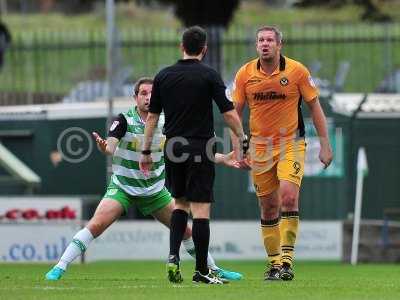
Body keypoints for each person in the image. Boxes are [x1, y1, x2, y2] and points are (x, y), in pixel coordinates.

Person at [45, 77, 243, 281]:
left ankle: (213, 269)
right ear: (135, 97)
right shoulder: (124, 120)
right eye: (143, 94)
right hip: (123, 187)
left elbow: (191, 151)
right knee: (95, 225)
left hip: (155, 190)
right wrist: (105, 148)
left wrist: (221, 158)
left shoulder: (168, 121)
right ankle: (60, 266)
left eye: (152, 93)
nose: (148, 98)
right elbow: (111, 147)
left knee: (187, 231)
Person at [140, 26, 248, 285]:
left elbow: (152, 118)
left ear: (181, 47)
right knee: (200, 210)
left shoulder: (163, 76)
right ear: (205, 49)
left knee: (179, 204)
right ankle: (201, 270)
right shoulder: (209, 75)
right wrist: (242, 139)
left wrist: (145, 150)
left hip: (173, 147)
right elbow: (229, 113)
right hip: (200, 147)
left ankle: (173, 257)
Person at [231, 26, 333, 281]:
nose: (264, 44)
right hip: (260, 147)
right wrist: (238, 148)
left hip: (292, 143)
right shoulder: (245, 74)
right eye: (260, 41)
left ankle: (287, 261)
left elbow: (315, 108)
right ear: (257, 46)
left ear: (279, 45)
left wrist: (325, 144)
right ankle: (274, 264)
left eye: (269, 40)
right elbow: (233, 114)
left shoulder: (297, 71)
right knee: (268, 206)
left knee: (288, 197)